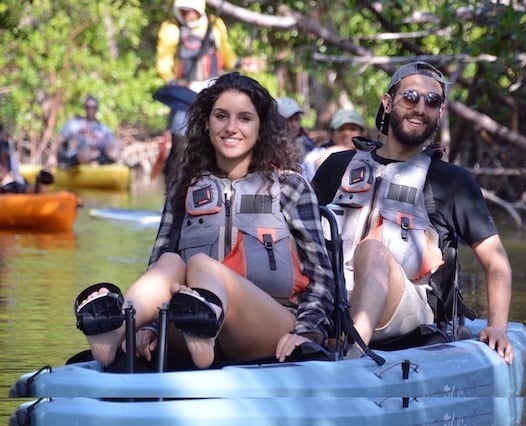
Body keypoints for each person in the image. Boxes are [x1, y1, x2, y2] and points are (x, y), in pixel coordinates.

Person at [74, 73, 335, 370]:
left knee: (200, 265)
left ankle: (203, 325)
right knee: (170, 262)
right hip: (187, 324)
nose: (231, 127)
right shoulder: (185, 187)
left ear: (261, 127)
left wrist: (307, 332)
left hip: (267, 328)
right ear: (207, 124)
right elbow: (158, 267)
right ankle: (119, 327)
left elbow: (321, 277)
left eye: (245, 118)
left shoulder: (290, 187)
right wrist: (151, 327)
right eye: (221, 116)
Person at [312, 61, 513, 364]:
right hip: (331, 302)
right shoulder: (337, 166)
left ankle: (351, 356)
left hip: (406, 310)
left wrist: (497, 327)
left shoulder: (452, 182)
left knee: (373, 251)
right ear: (388, 102)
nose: (420, 108)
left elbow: (495, 261)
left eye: (432, 101)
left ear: (440, 113)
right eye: (410, 97)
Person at [155, 0, 264, 188]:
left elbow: (227, 57)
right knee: (180, 142)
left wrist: (241, 63)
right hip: (185, 93)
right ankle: (173, 192)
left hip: (211, 89)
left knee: (216, 137)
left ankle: (220, 186)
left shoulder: (215, 25)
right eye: (184, 11)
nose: (188, 15)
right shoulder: (171, 28)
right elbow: (163, 62)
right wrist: (173, 81)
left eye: (191, 11)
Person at [47, 96, 121, 169]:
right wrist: (52, 157)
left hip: (97, 157)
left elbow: (111, 145)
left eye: (93, 107)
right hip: (76, 158)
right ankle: (93, 166)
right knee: (86, 153)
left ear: (97, 109)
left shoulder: (103, 129)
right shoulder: (74, 124)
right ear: (84, 108)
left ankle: (117, 169)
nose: (90, 110)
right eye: (88, 107)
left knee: (116, 146)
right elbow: (58, 140)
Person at [302, 108, 365, 181]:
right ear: (332, 133)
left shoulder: (370, 156)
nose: (346, 133)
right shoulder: (316, 155)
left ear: (362, 133)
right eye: (341, 129)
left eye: (352, 129)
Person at [1, 124, 53, 193]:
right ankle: (38, 186)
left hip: (15, 182)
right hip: (9, 185)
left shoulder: (7, 149)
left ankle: (39, 185)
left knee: (20, 186)